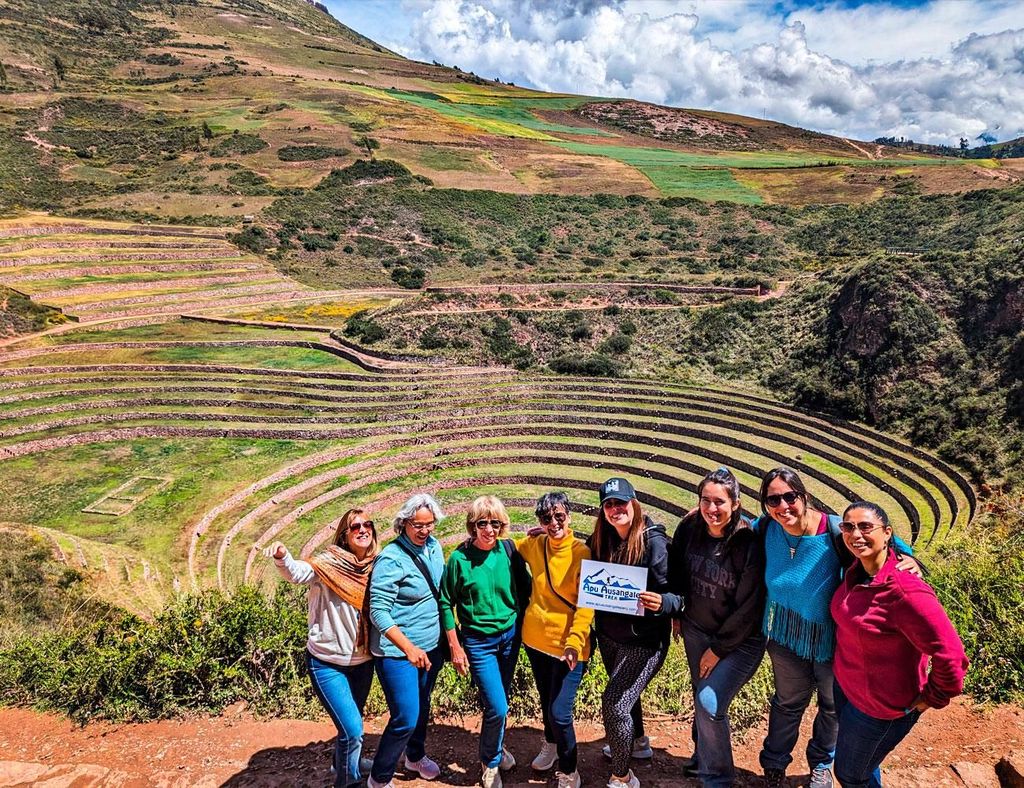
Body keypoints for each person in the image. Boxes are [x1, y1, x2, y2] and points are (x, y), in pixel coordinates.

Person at [756, 468, 920, 788]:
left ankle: (821, 762)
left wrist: (907, 558)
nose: (783, 506)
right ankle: (774, 763)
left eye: (790, 497)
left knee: (830, 706)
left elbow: (887, 540)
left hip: (833, 637)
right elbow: (733, 528)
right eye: (773, 499)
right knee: (788, 702)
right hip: (785, 635)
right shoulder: (765, 528)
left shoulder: (832, 528)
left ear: (803, 497)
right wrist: (696, 515)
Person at [830, 501, 967, 788]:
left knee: (850, 775)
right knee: (864, 765)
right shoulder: (858, 570)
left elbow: (951, 655)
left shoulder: (905, 590)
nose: (856, 534)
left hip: (881, 709)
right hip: (848, 691)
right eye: (848, 527)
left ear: (888, 533)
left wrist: (933, 697)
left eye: (866, 527)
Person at [662, 467, 767, 788]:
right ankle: (702, 756)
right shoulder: (690, 527)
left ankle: (718, 778)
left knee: (709, 702)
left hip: (740, 640)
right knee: (701, 696)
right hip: (696, 628)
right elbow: (677, 568)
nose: (712, 509)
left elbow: (748, 608)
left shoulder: (747, 541)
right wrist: (677, 611)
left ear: (735, 503)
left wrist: (717, 650)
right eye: (705, 500)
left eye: (719, 502)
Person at [264, 508, 380, 788]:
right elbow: (298, 573)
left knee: (350, 725)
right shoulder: (328, 565)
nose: (363, 530)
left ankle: (343, 761)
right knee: (353, 730)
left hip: (362, 661)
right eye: (355, 527)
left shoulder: (377, 565)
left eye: (368, 525)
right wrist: (282, 556)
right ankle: (348, 780)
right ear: (344, 535)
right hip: (327, 662)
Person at [590, 477, 672, 788]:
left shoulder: (654, 542)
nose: (615, 509)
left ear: (634, 503)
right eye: (609, 504)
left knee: (615, 702)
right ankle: (636, 742)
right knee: (626, 697)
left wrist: (662, 602)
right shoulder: (602, 538)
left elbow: (677, 596)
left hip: (645, 641)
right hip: (610, 636)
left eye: (621, 502)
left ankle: (622, 777)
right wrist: (545, 538)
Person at [439, 495, 523, 788]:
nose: (489, 529)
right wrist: (455, 645)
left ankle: (495, 749)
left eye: (495, 523)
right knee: (498, 707)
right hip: (478, 642)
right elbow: (445, 601)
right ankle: (490, 762)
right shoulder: (459, 560)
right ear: (472, 526)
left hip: (510, 637)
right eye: (483, 523)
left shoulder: (509, 551)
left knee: (499, 700)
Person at [367, 493, 447, 788]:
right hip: (398, 653)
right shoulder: (392, 558)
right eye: (417, 525)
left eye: (429, 524)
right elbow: (379, 611)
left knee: (422, 706)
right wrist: (409, 647)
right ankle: (379, 778)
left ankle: (414, 757)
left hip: (430, 648)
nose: (424, 530)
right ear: (403, 523)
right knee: (405, 717)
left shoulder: (435, 547)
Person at [517, 491, 595, 788]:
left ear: (569, 517)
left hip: (568, 648)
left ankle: (570, 769)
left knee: (560, 712)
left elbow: (587, 605)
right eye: (546, 518)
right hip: (535, 641)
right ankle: (550, 745)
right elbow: (508, 545)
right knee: (546, 699)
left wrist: (575, 641)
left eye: (559, 516)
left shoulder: (582, 552)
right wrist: (474, 538)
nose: (553, 523)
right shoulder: (534, 545)